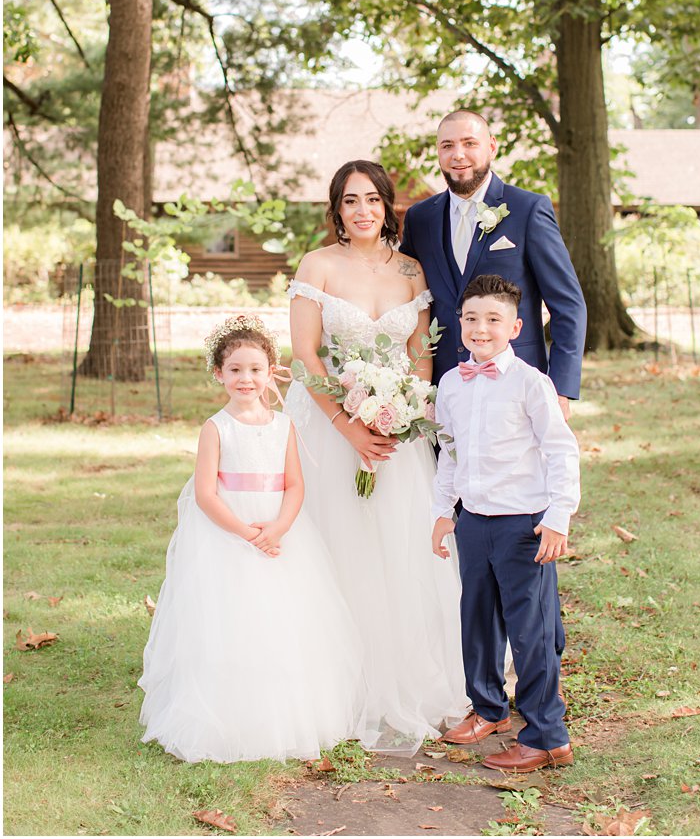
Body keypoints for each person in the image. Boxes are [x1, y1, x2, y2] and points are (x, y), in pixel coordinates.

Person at [286, 159, 470, 754]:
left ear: (388, 205)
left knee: (403, 551)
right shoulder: (317, 266)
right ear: (335, 209)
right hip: (328, 425)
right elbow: (307, 358)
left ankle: (406, 678)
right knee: (339, 548)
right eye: (349, 200)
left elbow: (420, 353)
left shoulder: (411, 270)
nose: (361, 210)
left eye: (372, 199)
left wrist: (404, 411)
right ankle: (336, 686)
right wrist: (349, 426)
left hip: (398, 430)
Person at [139, 316, 363, 762]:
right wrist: (246, 534)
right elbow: (205, 493)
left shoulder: (283, 426)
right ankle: (227, 717)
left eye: (255, 369)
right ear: (219, 373)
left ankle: (284, 715)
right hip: (227, 537)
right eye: (236, 370)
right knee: (229, 622)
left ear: (270, 372)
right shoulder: (215, 428)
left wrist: (277, 528)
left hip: (280, 536)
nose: (246, 379)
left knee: (284, 622)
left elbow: (295, 485)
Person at [429, 275, 581, 772]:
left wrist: (557, 517)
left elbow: (560, 450)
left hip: (524, 524)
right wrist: (441, 512)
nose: (481, 328)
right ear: (459, 324)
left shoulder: (531, 383)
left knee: (530, 630)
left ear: (515, 327)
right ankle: (489, 709)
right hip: (472, 520)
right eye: (471, 318)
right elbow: (449, 453)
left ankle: (545, 735)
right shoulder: (451, 384)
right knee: (476, 620)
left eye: (493, 319)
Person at [398, 110, 586, 417]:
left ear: (492, 147)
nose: (458, 155)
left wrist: (560, 387)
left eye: (469, 143)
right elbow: (404, 288)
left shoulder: (528, 209)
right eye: (447, 146)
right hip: (442, 390)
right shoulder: (421, 218)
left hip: (516, 385)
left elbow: (568, 304)